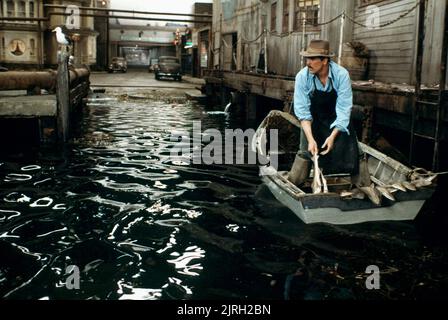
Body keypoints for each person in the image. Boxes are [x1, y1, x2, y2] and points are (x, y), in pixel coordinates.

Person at [288, 39, 360, 185]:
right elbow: (303, 112)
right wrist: (310, 139)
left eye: (313, 58)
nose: (308, 62)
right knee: (305, 152)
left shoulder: (341, 75)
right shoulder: (302, 77)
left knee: (351, 151)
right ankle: (296, 184)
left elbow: (344, 109)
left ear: (325, 61)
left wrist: (332, 137)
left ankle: (355, 184)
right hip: (313, 119)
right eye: (307, 58)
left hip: (336, 118)